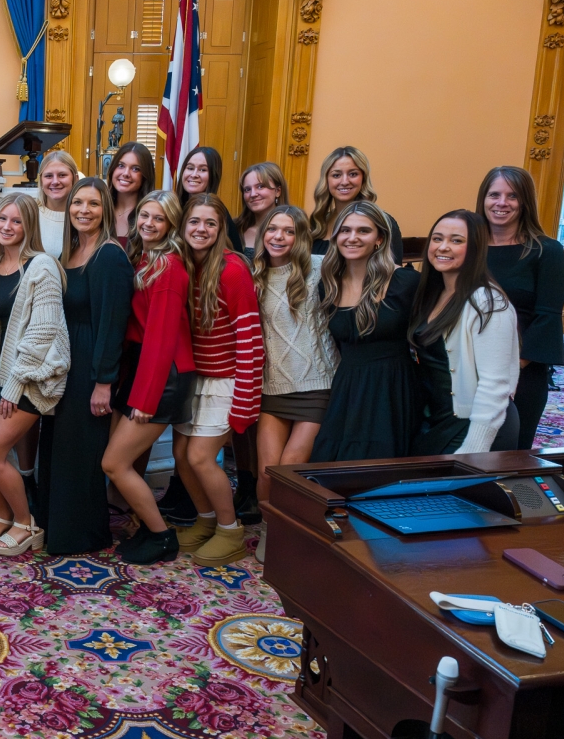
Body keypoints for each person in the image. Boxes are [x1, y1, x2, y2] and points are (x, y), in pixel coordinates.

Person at [0, 193, 69, 556]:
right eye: (2, 220)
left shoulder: (42, 266)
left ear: (29, 226)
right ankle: (4, 516)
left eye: (16, 221)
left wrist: (12, 384)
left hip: (31, 378)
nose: (7, 227)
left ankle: (26, 524)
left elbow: (42, 334)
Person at [37, 177, 133, 554]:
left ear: (105, 210)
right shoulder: (71, 251)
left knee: (81, 451)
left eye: (93, 204)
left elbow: (113, 324)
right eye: (78, 203)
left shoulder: (109, 255)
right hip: (66, 362)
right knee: (60, 447)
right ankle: (56, 525)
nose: (83, 210)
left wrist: (103, 382)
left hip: (91, 364)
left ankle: (83, 535)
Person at [170, 194, 264, 567]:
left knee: (200, 456)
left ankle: (230, 529)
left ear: (221, 229)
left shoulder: (232, 269)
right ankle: (206, 520)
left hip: (226, 380)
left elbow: (250, 338)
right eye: (194, 222)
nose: (201, 229)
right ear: (183, 226)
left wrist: (246, 399)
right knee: (181, 456)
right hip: (194, 379)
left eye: (210, 223)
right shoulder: (181, 265)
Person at [102, 190, 193, 565]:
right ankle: (144, 525)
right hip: (140, 368)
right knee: (121, 460)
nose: (149, 224)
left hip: (164, 374)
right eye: (144, 216)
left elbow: (161, 339)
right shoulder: (143, 258)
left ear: (171, 224)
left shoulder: (169, 267)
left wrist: (145, 398)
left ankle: (162, 536)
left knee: (114, 463)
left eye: (158, 218)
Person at [310, 201, 420, 462]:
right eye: (345, 231)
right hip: (348, 385)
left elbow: (430, 340)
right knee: (329, 462)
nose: (352, 238)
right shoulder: (329, 284)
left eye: (363, 231)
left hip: (391, 386)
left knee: (379, 466)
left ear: (380, 239)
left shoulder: (405, 282)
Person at [409, 209, 520, 454]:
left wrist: (474, 449)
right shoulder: (432, 292)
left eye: (456, 240)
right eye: (437, 239)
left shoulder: (488, 302)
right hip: (439, 420)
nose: (443, 247)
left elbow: (495, 385)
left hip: (477, 427)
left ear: (476, 249)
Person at [251, 205, 337, 505]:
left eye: (289, 231)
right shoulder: (253, 274)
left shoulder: (322, 266)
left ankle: (289, 536)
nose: (279, 236)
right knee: (266, 471)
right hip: (272, 385)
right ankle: (269, 532)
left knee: (289, 469)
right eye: (273, 229)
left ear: (300, 237)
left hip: (316, 385)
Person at [479, 166, 564, 450]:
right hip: (468, 368)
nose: (501, 202)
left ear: (525, 202)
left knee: (510, 454)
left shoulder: (546, 250)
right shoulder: (469, 247)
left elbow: (547, 318)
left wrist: (508, 371)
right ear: (483, 199)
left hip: (520, 373)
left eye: (512, 196)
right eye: (494, 194)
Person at [308, 146, 404, 264]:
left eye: (353, 174)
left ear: (363, 178)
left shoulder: (384, 222)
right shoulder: (317, 224)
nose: (344, 181)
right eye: (336, 175)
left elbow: (393, 272)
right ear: (326, 180)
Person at [106, 142, 155, 242]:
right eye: (121, 165)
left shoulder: (151, 217)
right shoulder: (100, 210)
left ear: (145, 176)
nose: (126, 173)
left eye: (135, 169)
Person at [236, 162, 287, 258]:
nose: (253, 194)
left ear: (278, 191)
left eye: (260, 186)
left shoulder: (295, 229)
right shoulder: (234, 229)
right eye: (247, 189)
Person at [38, 150, 79, 258]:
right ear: (41, 181)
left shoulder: (83, 216)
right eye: (48, 176)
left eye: (62, 175)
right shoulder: (29, 215)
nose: (55, 181)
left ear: (75, 179)